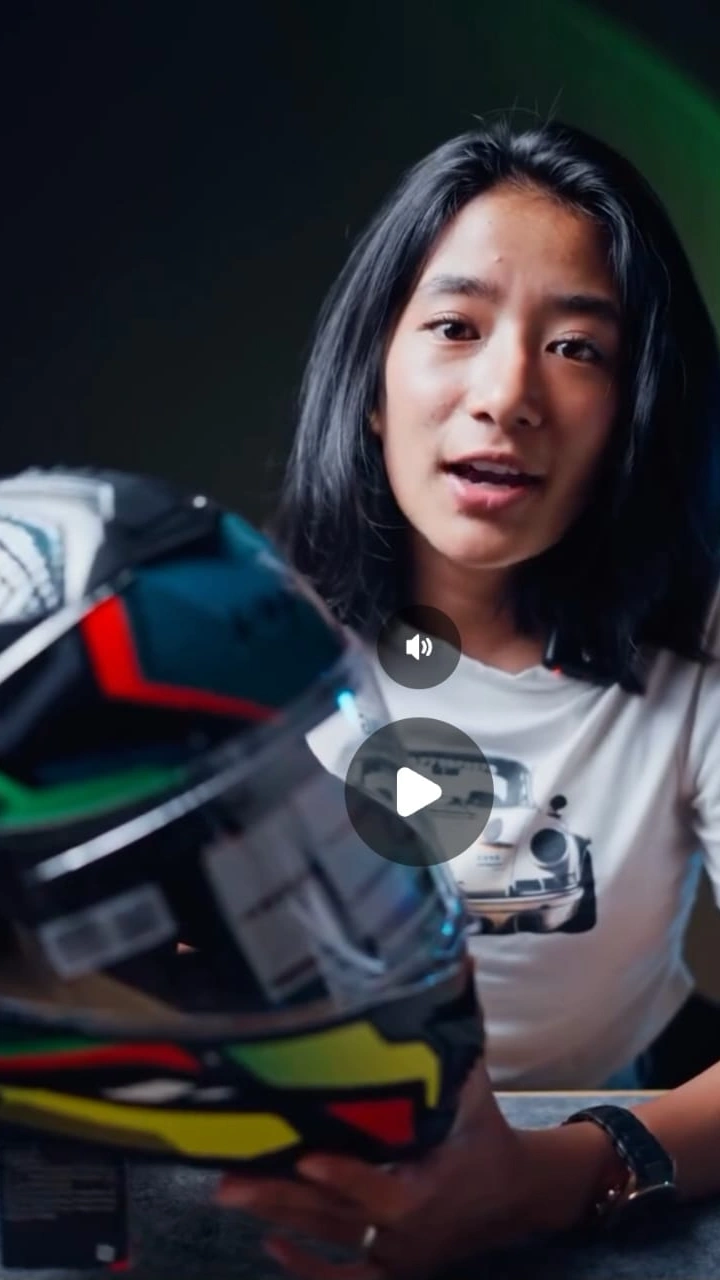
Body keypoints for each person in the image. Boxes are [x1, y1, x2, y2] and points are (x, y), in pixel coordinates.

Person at [216, 118, 720, 1276]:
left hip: (610, 1155)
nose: (507, 393)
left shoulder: (699, 651)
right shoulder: (223, 648)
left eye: (579, 347)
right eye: (455, 326)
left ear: (635, 409)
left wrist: (554, 1178)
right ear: (372, 381)